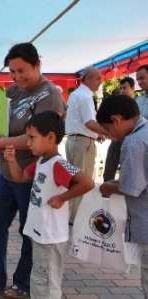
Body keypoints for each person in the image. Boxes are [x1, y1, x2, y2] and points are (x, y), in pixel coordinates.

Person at [0, 42, 64, 299]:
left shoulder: (50, 94)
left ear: (37, 65)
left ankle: (23, 283)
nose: (17, 77)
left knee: (28, 228)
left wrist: (2, 142)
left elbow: (45, 136)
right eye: (12, 71)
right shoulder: (11, 91)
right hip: (7, 172)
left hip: (31, 173)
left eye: (22, 70)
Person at [3, 111, 94, 299]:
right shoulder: (41, 161)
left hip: (50, 236)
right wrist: (11, 161)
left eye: (32, 138)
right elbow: (20, 177)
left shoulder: (58, 164)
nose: (28, 143)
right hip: (41, 233)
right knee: (40, 278)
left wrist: (62, 198)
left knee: (45, 281)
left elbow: (88, 183)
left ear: (51, 137)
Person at [97, 94, 148, 297]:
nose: (110, 135)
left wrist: (109, 187)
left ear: (117, 119)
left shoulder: (134, 142)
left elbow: (131, 187)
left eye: (108, 129)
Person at [65, 66, 107, 224]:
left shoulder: (76, 94)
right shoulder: (85, 96)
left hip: (74, 141)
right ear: (87, 79)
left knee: (74, 180)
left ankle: (72, 216)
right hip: (82, 143)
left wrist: (98, 134)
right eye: (97, 78)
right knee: (84, 181)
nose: (100, 82)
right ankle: (78, 219)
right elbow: (89, 122)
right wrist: (109, 132)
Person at [103, 77, 135, 181]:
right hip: (116, 141)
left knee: (128, 171)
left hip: (132, 142)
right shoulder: (116, 105)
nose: (122, 91)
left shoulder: (139, 104)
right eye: (121, 88)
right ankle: (106, 191)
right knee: (109, 168)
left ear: (132, 88)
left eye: (124, 88)